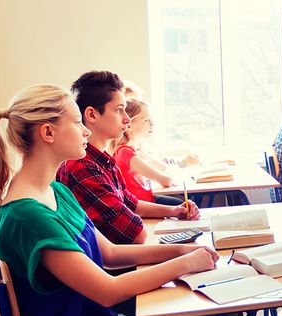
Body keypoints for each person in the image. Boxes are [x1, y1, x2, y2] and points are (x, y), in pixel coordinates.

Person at [0, 84, 239, 316]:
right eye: (76, 123)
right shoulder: (27, 216)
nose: (85, 131)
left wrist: (179, 251)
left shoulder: (56, 191)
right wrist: (185, 263)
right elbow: (108, 290)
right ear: (48, 132)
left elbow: (110, 254)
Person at [57, 71, 199, 245]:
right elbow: (136, 235)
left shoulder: (104, 162)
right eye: (119, 110)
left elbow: (130, 203)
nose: (127, 119)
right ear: (92, 115)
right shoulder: (82, 168)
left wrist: (175, 211)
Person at [113, 99, 187, 206]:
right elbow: (165, 180)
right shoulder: (125, 152)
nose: (152, 124)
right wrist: (175, 177)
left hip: (148, 201)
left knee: (183, 204)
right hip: (141, 207)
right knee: (182, 205)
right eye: (147, 120)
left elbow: (163, 168)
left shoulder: (138, 150)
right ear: (129, 126)